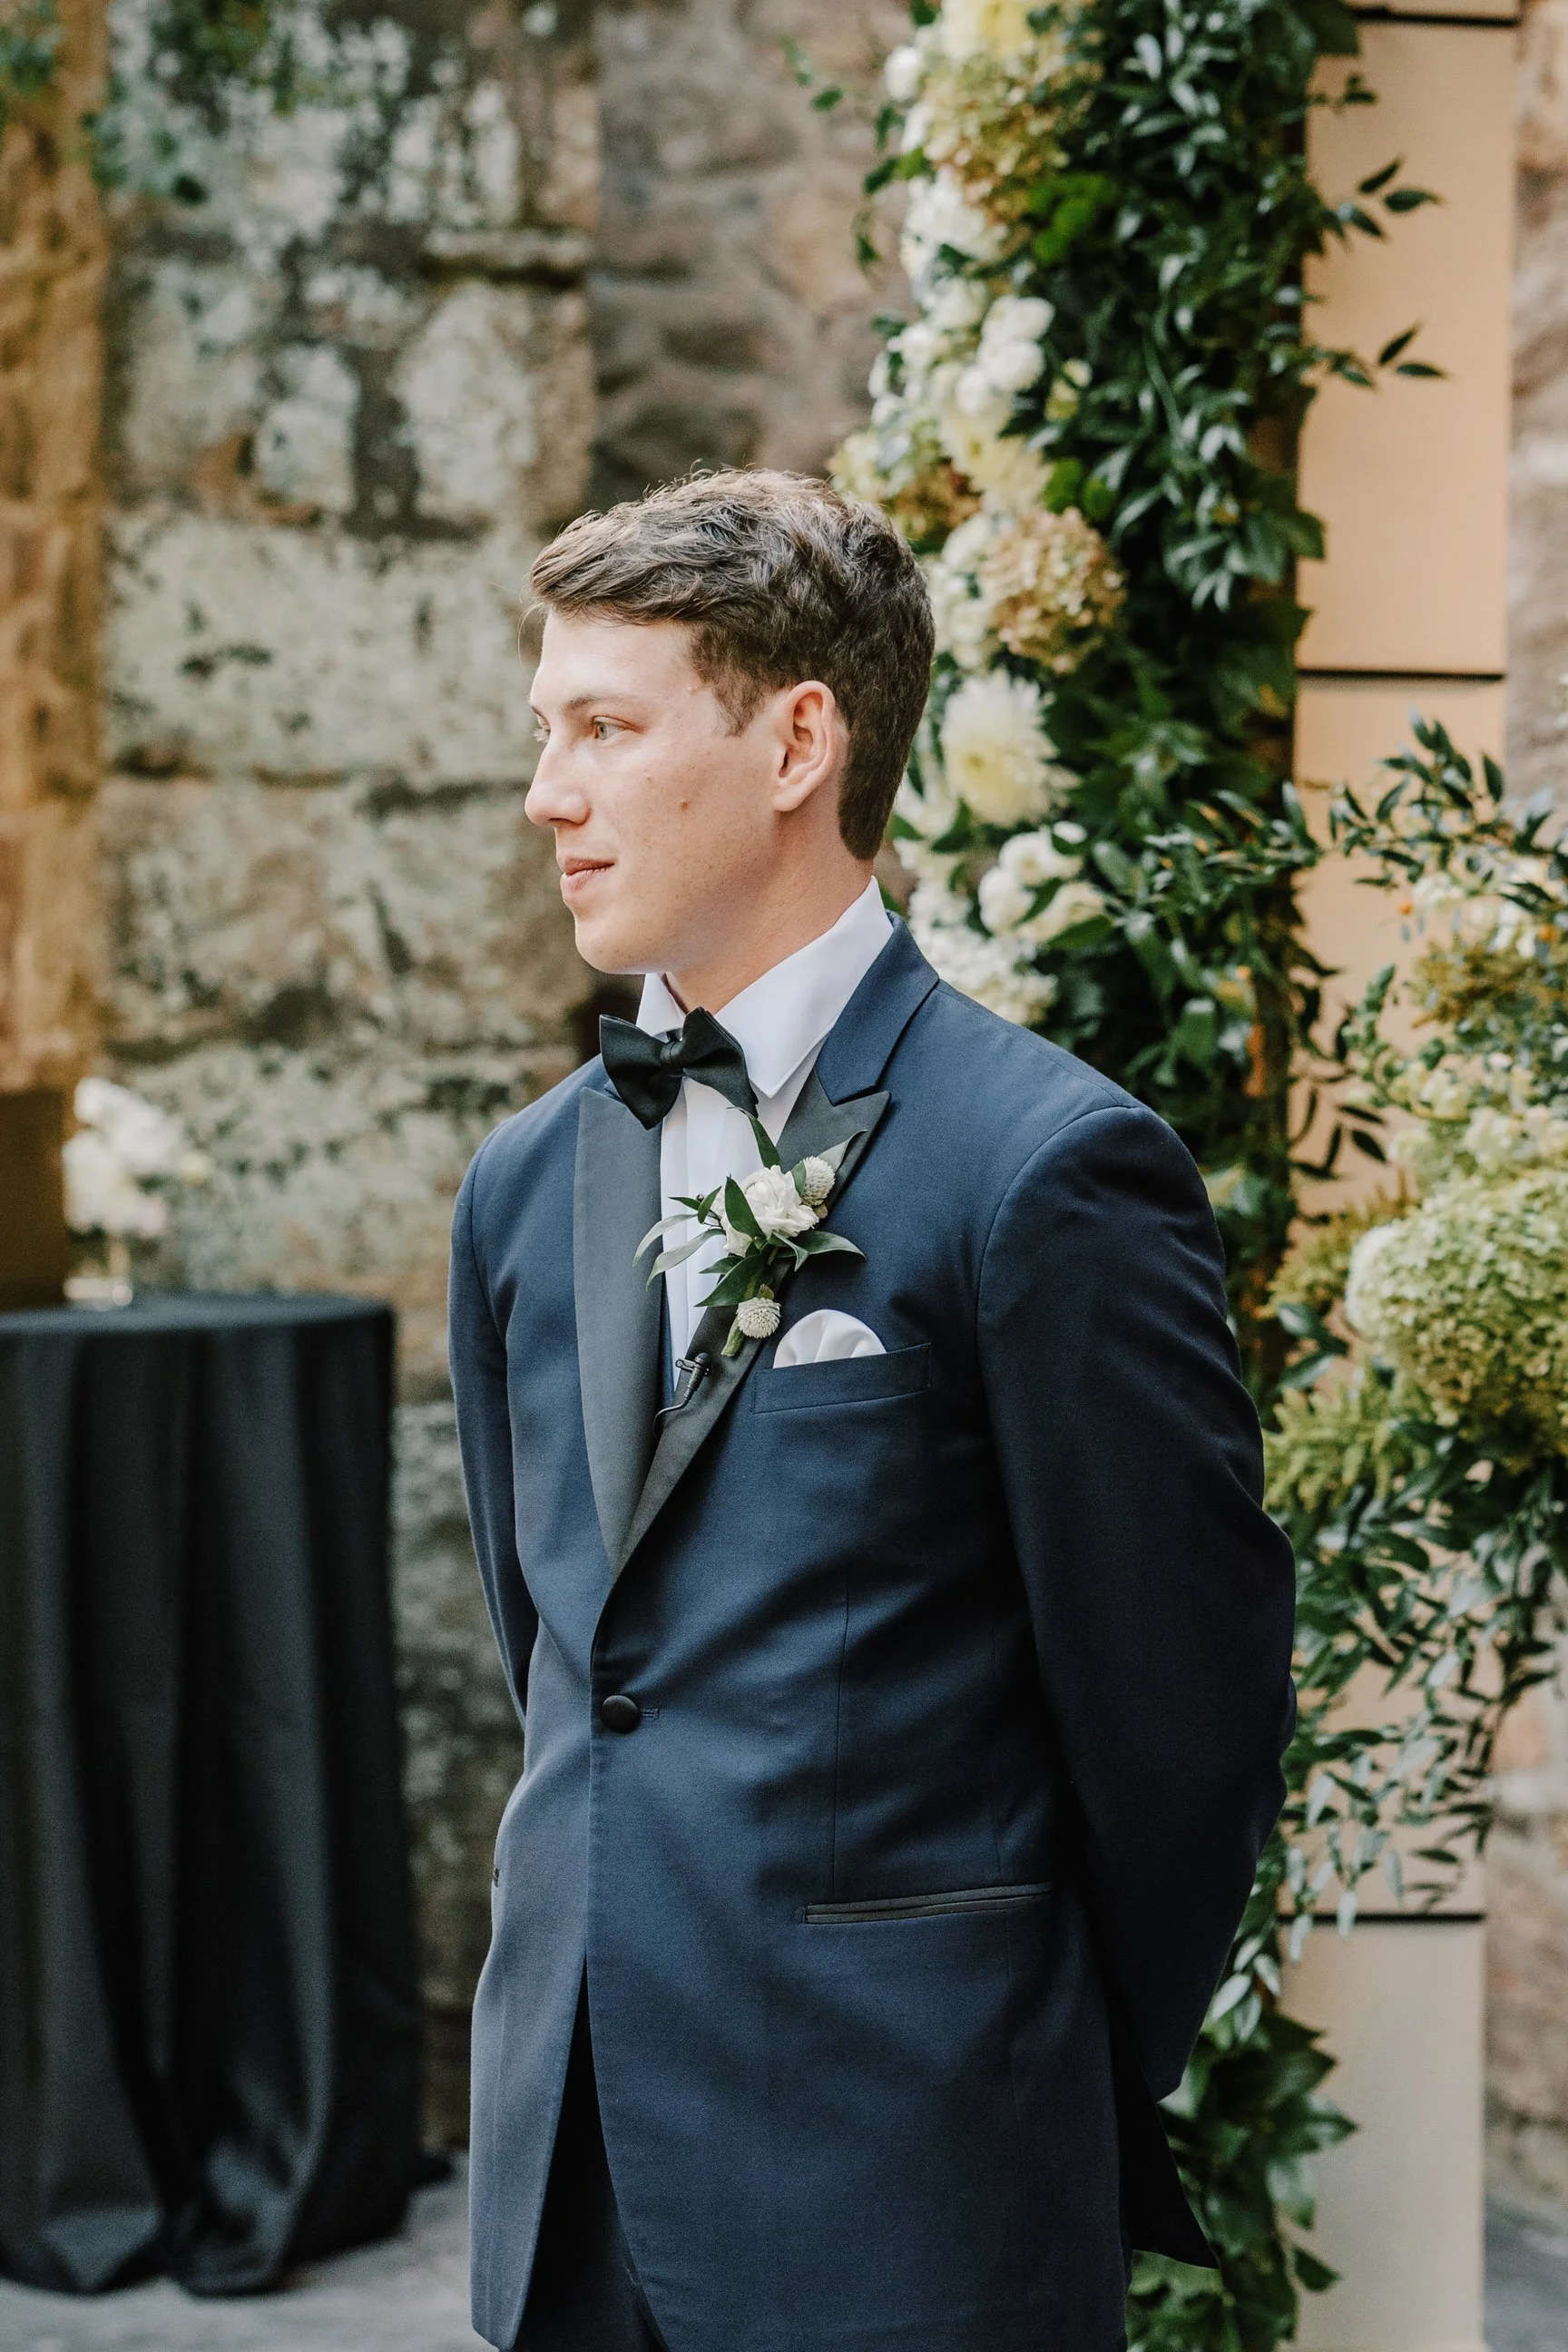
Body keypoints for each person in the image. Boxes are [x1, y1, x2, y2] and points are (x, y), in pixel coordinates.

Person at [448, 467, 1296, 2352]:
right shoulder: (518, 1191)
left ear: (795, 741)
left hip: (911, 2189)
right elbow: (566, 1660)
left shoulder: (1050, 1169)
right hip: (570, 2189)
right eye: (544, 732)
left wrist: (1001, 2052)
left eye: (605, 727)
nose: (548, 795)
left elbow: (1185, 1728)